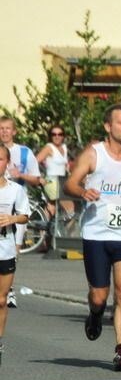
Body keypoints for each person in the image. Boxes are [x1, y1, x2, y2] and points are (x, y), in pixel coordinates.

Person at [64, 104, 121, 371]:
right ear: (108, 127)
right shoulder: (93, 154)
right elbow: (70, 182)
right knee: (99, 295)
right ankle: (95, 314)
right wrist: (82, 191)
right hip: (97, 232)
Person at [1, 116, 44, 308]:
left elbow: (37, 179)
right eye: (1, 128)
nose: (4, 132)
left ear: (14, 131)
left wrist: (21, 175)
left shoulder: (24, 153)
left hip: (16, 207)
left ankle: (8, 289)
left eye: (8, 128)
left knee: (12, 249)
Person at [0, 144, 30, 366]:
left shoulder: (15, 190)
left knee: (1, 300)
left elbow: (24, 216)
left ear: (7, 163)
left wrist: (12, 219)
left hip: (5, 249)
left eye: (1, 159)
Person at [36, 124, 71, 218]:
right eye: (54, 134)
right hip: (51, 181)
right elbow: (34, 162)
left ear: (63, 136)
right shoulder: (49, 147)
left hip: (62, 180)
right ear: (50, 136)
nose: (57, 136)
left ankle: (43, 231)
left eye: (60, 134)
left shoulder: (64, 147)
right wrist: (39, 178)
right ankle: (70, 232)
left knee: (51, 209)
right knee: (70, 209)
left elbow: (65, 165)